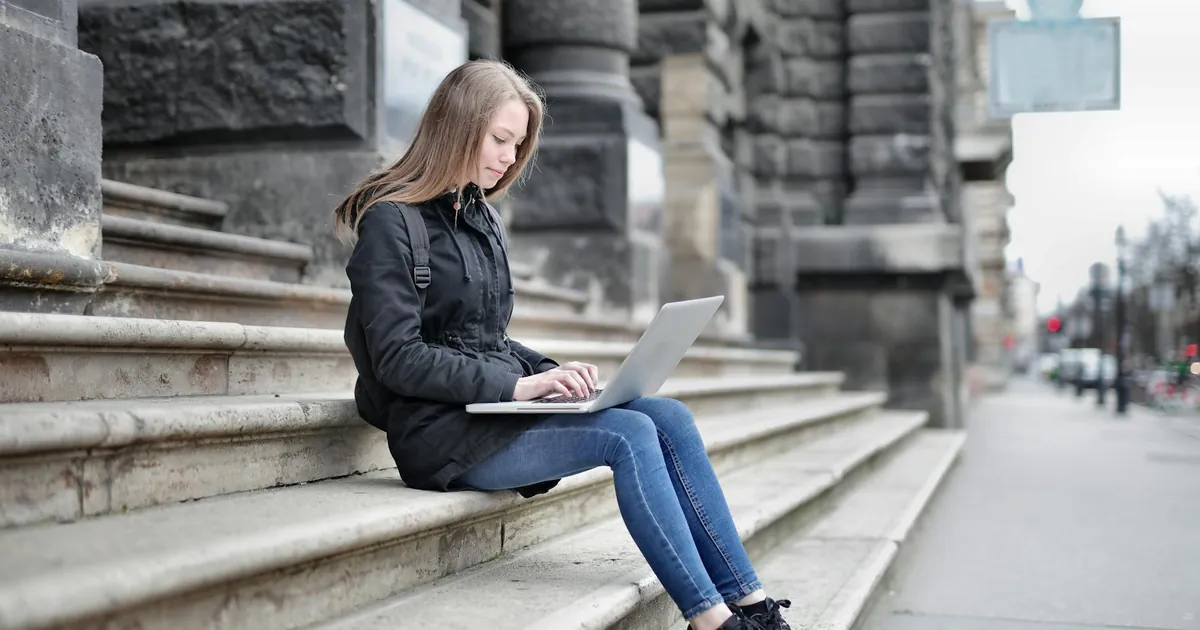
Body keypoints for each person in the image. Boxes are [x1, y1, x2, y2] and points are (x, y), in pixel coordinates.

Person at [333, 59, 791, 630]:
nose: (508, 158)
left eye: (517, 144)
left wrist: (551, 371)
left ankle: (753, 606)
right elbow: (398, 358)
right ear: (456, 125)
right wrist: (518, 385)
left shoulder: (479, 216)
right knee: (627, 435)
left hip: (490, 412)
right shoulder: (390, 222)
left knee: (667, 415)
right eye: (499, 139)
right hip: (439, 435)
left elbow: (488, 338)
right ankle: (712, 622)